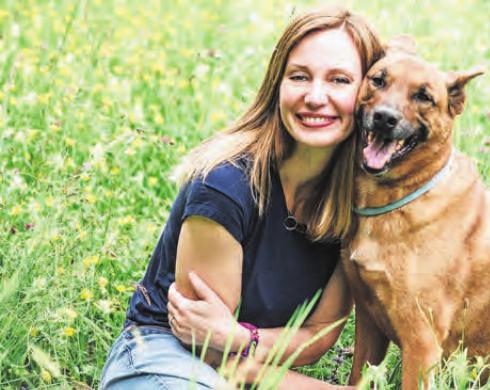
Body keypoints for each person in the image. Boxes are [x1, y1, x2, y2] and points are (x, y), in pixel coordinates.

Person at [99, 7, 384, 389]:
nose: (316, 97)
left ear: (368, 96)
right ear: (276, 86)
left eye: (339, 80)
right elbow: (205, 345)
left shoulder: (356, 204)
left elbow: (315, 336)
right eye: (299, 76)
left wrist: (238, 337)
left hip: (243, 372)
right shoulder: (225, 183)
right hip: (164, 359)